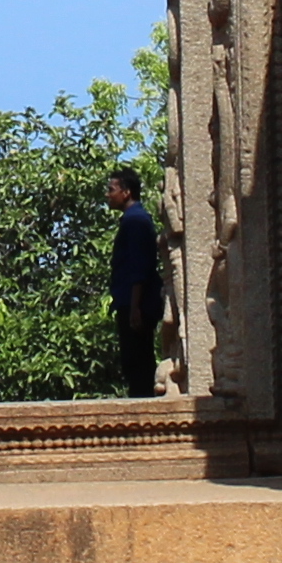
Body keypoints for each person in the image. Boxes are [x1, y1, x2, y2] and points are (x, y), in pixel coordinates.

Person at [106, 164, 168, 396]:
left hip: (138, 304)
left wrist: (134, 307)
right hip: (133, 302)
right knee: (134, 360)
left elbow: (138, 267)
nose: (108, 195)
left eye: (111, 189)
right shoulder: (133, 220)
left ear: (126, 192)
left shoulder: (136, 222)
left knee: (137, 361)